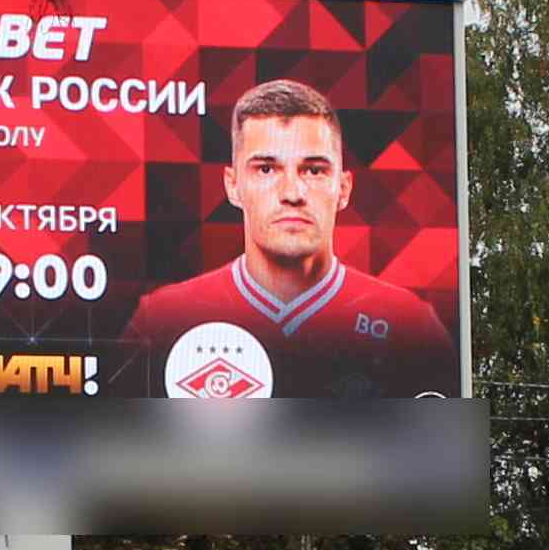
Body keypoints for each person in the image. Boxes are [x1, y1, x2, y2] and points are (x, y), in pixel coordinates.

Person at [118, 80, 455, 400]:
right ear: (233, 186)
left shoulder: (412, 327)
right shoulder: (161, 319)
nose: (292, 193)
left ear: (344, 188)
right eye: (266, 169)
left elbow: (442, 456)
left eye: (313, 170)